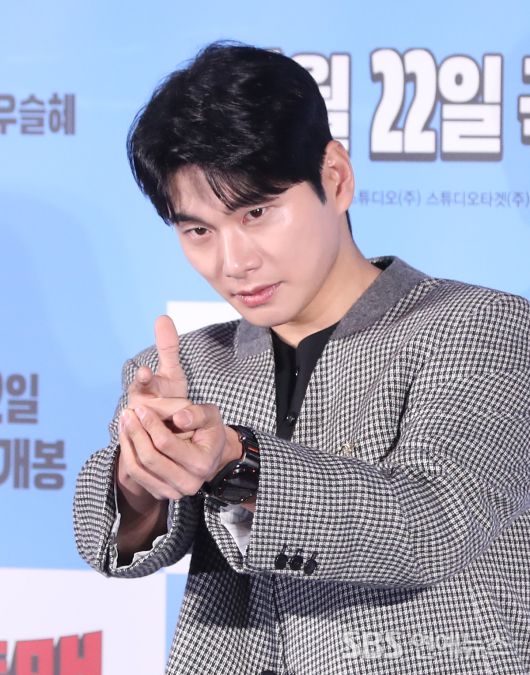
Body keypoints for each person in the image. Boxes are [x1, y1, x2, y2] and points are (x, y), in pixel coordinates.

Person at [74, 42, 530, 675]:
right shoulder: (185, 368)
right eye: (198, 230)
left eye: (257, 212)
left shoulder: (481, 326)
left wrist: (237, 462)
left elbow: (435, 523)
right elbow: (121, 549)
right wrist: (141, 476)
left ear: (335, 178)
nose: (234, 262)